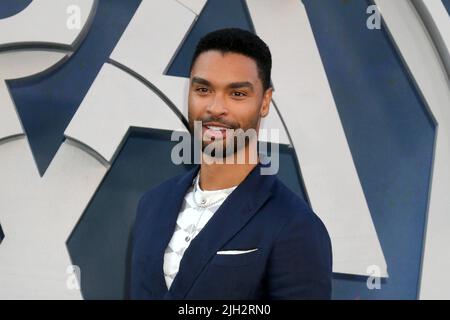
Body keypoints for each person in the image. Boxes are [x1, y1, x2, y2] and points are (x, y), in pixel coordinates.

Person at [131, 28, 332, 300]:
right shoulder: (152, 204)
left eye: (237, 94)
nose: (215, 108)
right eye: (203, 89)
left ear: (264, 102)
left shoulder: (295, 226)